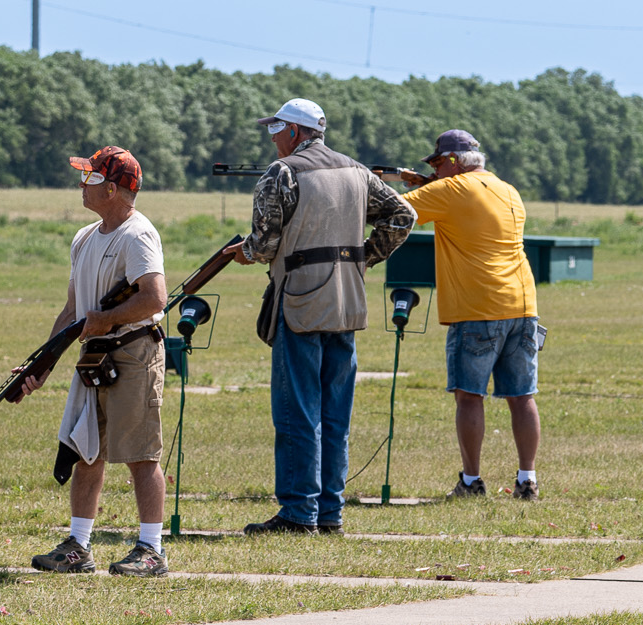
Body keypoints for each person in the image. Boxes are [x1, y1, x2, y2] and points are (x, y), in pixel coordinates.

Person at [220, 97, 414, 534]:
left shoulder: (283, 173)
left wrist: (246, 253)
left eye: (275, 130)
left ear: (294, 132)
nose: (272, 140)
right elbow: (404, 215)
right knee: (334, 415)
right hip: (347, 302)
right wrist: (364, 259)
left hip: (302, 302)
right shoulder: (358, 170)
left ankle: (297, 513)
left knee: (297, 412)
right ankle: (329, 513)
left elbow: (265, 244)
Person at [22, 146, 173, 577]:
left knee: (141, 455)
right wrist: (41, 364)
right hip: (95, 358)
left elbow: (154, 298)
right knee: (86, 450)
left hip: (134, 352)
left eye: (89, 178)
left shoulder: (138, 234)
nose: (81, 185)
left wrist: (105, 319)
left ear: (112, 188)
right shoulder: (85, 237)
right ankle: (79, 546)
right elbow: (72, 311)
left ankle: (151, 549)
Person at [393, 130, 545, 499]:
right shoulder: (508, 189)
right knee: (522, 396)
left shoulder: (449, 190)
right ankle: (527, 479)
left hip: (477, 308)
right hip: (522, 305)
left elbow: (391, 212)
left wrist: (417, 186)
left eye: (436, 164)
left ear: (450, 162)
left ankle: (471, 481)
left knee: (468, 396)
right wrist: (428, 183)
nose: (434, 171)